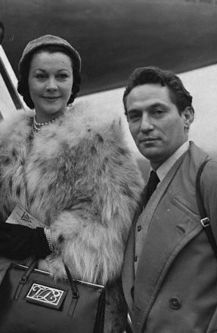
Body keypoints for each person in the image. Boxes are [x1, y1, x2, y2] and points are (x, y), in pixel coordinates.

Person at [0, 34, 143, 332]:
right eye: (41, 76)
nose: (52, 86)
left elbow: (115, 225)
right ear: (26, 82)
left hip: (78, 298)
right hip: (12, 294)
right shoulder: (5, 142)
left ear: (73, 83)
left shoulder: (99, 138)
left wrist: (49, 241)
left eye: (61, 76)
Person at [122, 66, 217, 332]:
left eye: (157, 112)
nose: (145, 126)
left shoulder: (210, 178)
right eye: (134, 116)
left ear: (187, 116)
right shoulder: (146, 190)